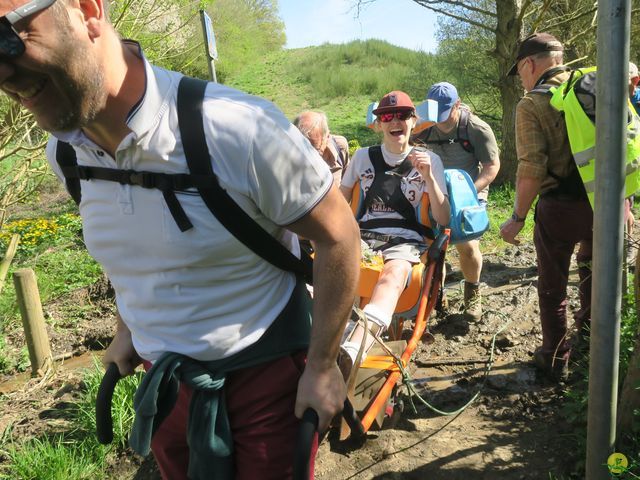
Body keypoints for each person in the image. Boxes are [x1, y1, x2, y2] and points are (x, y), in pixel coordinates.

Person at [0, 1, 361, 478]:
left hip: (269, 381)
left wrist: (321, 366)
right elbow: (135, 248)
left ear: (86, 11)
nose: (3, 71)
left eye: (7, 36)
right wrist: (127, 328)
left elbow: (340, 237)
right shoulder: (65, 156)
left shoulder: (237, 128)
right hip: (165, 388)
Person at [500, 32, 592, 381]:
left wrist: (517, 218)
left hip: (562, 207)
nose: (522, 80)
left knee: (552, 285)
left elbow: (531, 171)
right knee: (593, 269)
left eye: (520, 72)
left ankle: (555, 359)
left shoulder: (533, 104)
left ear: (529, 64)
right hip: (608, 202)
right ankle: (592, 344)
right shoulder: (595, 88)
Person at [338, 90, 450, 373]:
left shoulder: (428, 160)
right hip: (364, 237)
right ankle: (326, 338)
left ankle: (355, 348)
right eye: (387, 116)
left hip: (406, 239)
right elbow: (338, 200)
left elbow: (443, 217)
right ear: (378, 125)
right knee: (330, 272)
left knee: (393, 275)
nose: (394, 121)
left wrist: (429, 180)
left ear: (413, 121)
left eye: (402, 115)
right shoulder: (362, 157)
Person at [413, 82, 500, 320]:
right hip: (436, 188)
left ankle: (472, 291)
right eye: (435, 113)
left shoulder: (475, 128)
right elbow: (398, 139)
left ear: (458, 105)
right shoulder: (425, 124)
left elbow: (492, 167)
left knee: (466, 244)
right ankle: (435, 294)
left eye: (445, 113)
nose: (440, 120)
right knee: (434, 245)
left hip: (470, 188)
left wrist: (469, 192)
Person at [293, 110, 350, 185]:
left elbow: (348, 181)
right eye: (305, 150)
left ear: (328, 136)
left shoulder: (340, 146)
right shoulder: (287, 160)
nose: (311, 157)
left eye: (316, 150)